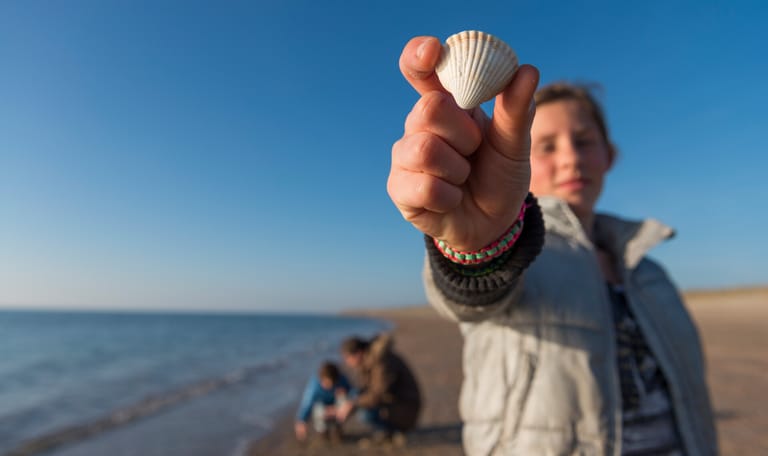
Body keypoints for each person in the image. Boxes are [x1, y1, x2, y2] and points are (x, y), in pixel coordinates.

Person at [386, 35, 718, 455]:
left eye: (584, 141)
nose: (570, 159)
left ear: (609, 156)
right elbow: (471, 299)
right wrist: (479, 246)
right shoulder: (522, 249)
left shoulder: (651, 272)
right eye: (545, 146)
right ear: (516, 155)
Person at [335, 333, 421, 443]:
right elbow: (367, 388)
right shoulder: (369, 361)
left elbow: (379, 393)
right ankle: (338, 430)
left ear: (358, 353)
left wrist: (353, 404)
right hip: (395, 401)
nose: (347, 363)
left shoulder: (381, 362)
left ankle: (391, 431)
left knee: (364, 413)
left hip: (405, 407)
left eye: (347, 358)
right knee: (353, 395)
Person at [294, 361, 351, 443]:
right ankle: (323, 433)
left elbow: (352, 391)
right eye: (326, 383)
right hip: (322, 407)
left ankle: (338, 429)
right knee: (319, 413)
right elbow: (307, 403)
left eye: (332, 384)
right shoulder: (314, 386)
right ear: (321, 379)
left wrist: (345, 403)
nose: (329, 386)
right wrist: (301, 421)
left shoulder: (342, 379)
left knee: (343, 399)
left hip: (336, 405)